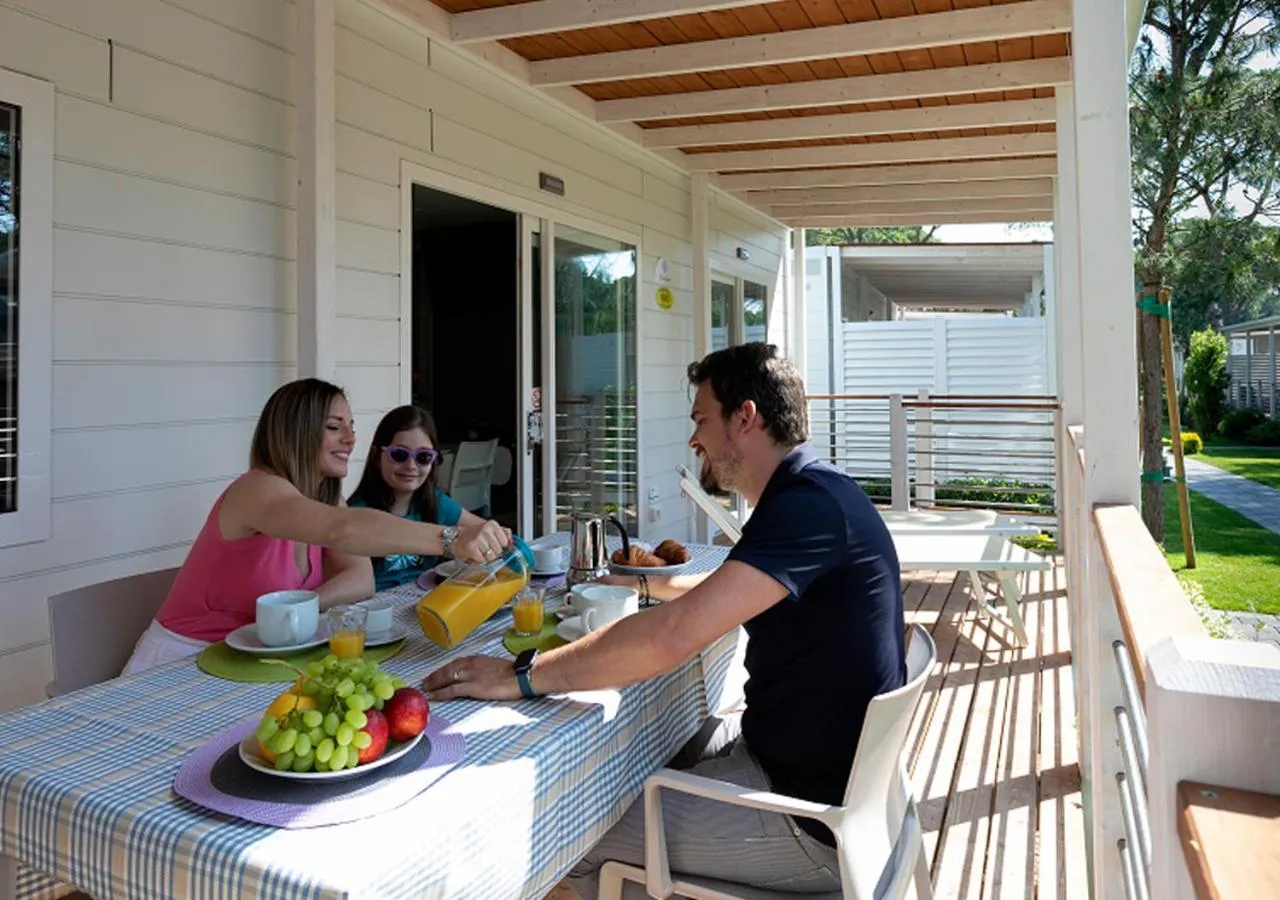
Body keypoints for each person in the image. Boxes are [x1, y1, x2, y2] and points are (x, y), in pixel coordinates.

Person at [423, 343, 906, 897]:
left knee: (559, 839)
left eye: (702, 419)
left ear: (745, 417)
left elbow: (672, 636)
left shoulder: (806, 505)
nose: (694, 438)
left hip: (807, 815)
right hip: (815, 770)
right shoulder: (814, 491)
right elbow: (729, 592)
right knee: (643, 751)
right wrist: (642, 580)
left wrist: (521, 675)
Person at [123, 378, 511, 674]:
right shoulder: (255, 491)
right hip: (182, 661)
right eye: (334, 426)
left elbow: (360, 579)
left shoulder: (326, 500)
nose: (351, 438)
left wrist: (293, 608)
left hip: (261, 654)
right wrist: (451, 539)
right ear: (297, 430)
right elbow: (340, 529)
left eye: (352, 425)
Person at [348, 405, 489, 591]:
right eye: (399, 454)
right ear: (376, 456)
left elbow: (486, 532)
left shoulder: (437, 503)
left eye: (423, 457)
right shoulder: (357, 514)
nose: (411, 466)